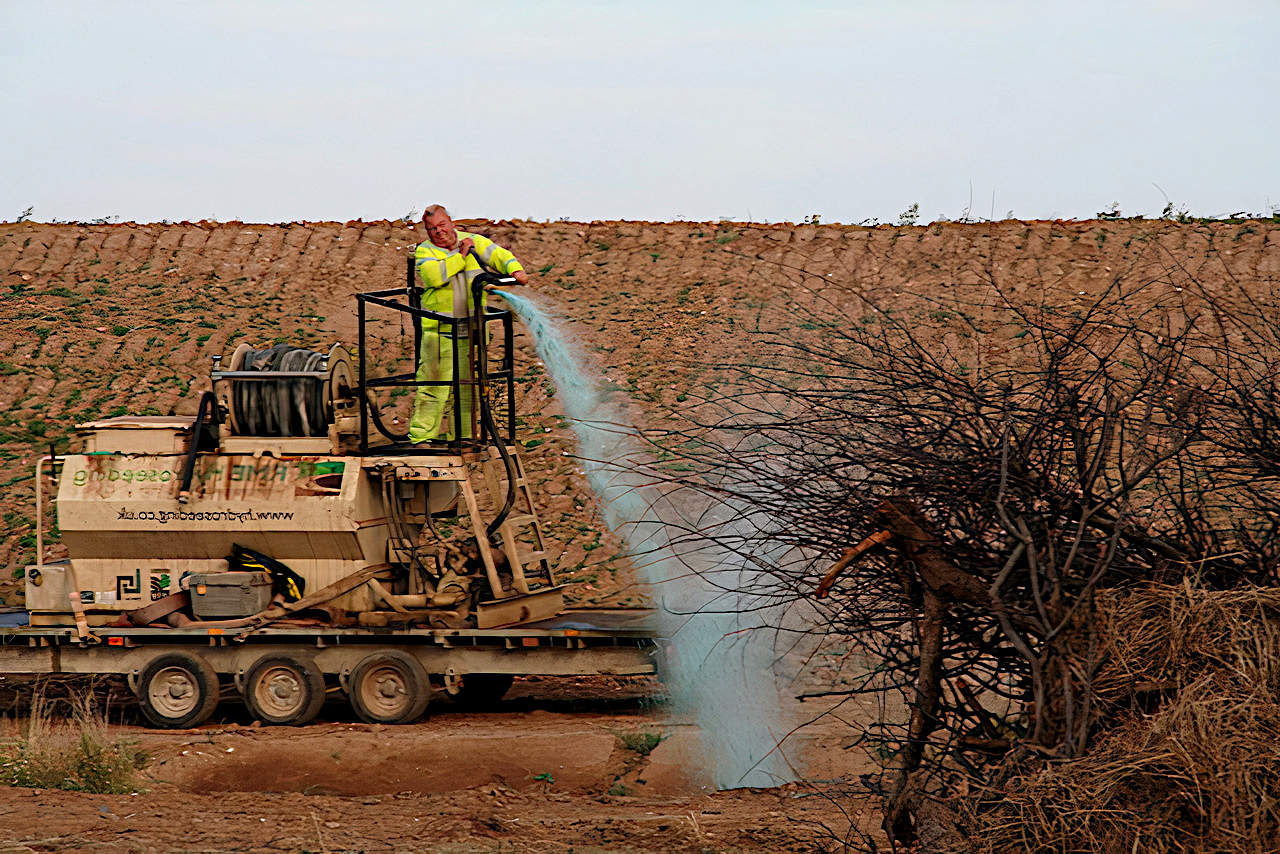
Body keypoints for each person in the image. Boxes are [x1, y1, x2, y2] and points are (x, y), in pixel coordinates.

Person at [409, 205, 530, 443]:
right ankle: (421, 438)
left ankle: (464, 437)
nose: (439, 232)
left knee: (466, 388)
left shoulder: (474, 241)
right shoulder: (425, 252)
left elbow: (499, 255)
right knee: (433, 386)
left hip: (472, 330)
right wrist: (460, 257)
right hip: (440, 331)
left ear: (451, 222)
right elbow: (435, 276)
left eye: (442, 225)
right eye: (432, 229)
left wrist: (515, 270)